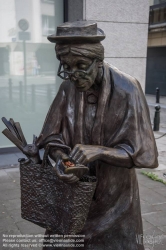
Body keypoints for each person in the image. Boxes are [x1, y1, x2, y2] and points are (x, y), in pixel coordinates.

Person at [27, 21, 158, 249]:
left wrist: (99, 151)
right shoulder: (68, 87)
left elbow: (146, 155)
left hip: (115, 198)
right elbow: (51, 138)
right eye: (66, 67)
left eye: (80, 65)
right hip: (73, 196)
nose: (73, 74)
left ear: (98, 61)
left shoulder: (128, 88)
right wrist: (63, 161)